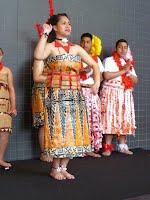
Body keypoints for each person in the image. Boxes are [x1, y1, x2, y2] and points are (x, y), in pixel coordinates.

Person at [33, 13, 100, 180]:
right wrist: (45, 33)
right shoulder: (51, 46)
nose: (68, 26)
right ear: (55, 27)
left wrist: (96, 83)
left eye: (69, 23)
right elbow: (39, 56)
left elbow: (93, 65)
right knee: (59, 130)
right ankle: (54, 168)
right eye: (63, 23)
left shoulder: (77, 48)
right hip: (56, 94)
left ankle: (63, 167)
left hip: (75, 94)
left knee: (73, 130)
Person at [100, 39, 138, 156]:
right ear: (116, 48)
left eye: (125, 47)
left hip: (124, 94)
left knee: (124, 119)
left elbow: (135, 80)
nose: (123, 49)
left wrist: (128, 72)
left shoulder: (128, 62)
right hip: (111, 92)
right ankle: (107, 147)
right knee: (109, 119)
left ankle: (122, 146)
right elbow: (106, 75)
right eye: (120, 47)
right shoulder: (109, 60)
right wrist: (123, 71)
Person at [80, 33, 104, 157]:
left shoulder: (96, 59)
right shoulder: (75, 57)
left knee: (92, 119)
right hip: (78, 90)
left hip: (91, 91)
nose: (85, 44)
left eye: (88, 42)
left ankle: (89, 148)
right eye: (83, 41)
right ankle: (79, 148)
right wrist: (81, 71)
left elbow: (100, 77)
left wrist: (93, 72)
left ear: (91, 44)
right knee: (80, 120)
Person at [32, 60, 53, 162]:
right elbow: (37, 78)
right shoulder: (39, 60)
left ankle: (53, 151)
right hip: (41, 92)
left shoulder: (56, 60)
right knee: (43, 124)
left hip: (54, 92)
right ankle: (44, 152)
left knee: (54, 124)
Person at [0, 48, 17, 169]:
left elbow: (11, 89)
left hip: (4, 105)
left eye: (0, 55)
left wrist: (14, 107)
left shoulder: (7, 71)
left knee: (4, 132)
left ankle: (0, 158)